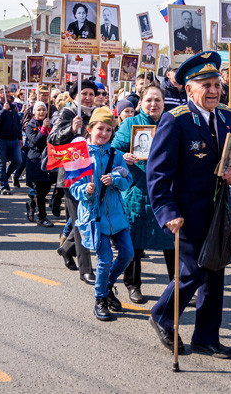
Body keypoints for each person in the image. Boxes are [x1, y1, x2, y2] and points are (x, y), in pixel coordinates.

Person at [147, 51, 231, 359]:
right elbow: (157, 173)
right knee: (193, 270)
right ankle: (162, 315)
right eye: (206, 85)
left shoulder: (227, 115)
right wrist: (167, 212)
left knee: (215, 271)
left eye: (217, 84)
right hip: (187, 212)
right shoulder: (175, 122)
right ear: (189, 89)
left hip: (219, 208)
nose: (214, 91)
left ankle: (206, 337)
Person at [112, 84, 175, 304]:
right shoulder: (130, 123)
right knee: (134, 241)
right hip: (137, 190)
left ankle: (175, 287)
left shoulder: (171, 123)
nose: (153, 104)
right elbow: (114, 148)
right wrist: (124, 156)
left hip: (166, 191)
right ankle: (133, 285)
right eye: (149, 100)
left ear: (163, 102)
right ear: (141, 102)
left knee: (171, 242)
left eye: (157, 100)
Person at [71, 107, 133, 321]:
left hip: (117, 216)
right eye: (100, 128)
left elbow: (127, 181)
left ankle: (106, 287)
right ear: (90, 129)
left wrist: (116, 180)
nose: (104, 133)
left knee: (128, 254)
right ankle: (100, 299)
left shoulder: (116, 155)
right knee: (105, 260)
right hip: (94, 217)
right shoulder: (79, 154)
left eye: (108, 130)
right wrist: (85, 191)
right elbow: (73, 187)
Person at [49, 79, 99, 283]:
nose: (88, 97)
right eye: (84, 93)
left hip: (92, 173)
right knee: (80, 221)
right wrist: (71, 129)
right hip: (72, 175)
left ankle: (66, 248)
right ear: (75, 96)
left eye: (91, 94)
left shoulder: (97, 112)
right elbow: (53, 138)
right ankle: (86, 269)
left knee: (87, 218)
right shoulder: (68, 113)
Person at [24, 101, 55, 227]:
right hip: (36, 160)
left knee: (46, 188)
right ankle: (42, 217)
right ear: (34, 112)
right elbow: (35, 141)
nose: (42, 112)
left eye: (43, 109)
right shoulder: (30, 125)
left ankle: (32, 204)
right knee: (39, 191)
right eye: (39, 110)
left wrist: (50, 129)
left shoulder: (49, 123)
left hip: (48, 160)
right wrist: (43, 129)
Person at [0, 86, 22, 195]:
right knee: (1, 163)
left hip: (13, 139)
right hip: (0, 139)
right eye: (5, 92)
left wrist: (20, 137)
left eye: (8, 92)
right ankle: (4, 186)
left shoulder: (13, 106)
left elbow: (17, 122)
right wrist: (3, 110)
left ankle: (5, 176)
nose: (8, 94)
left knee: (18, 160)